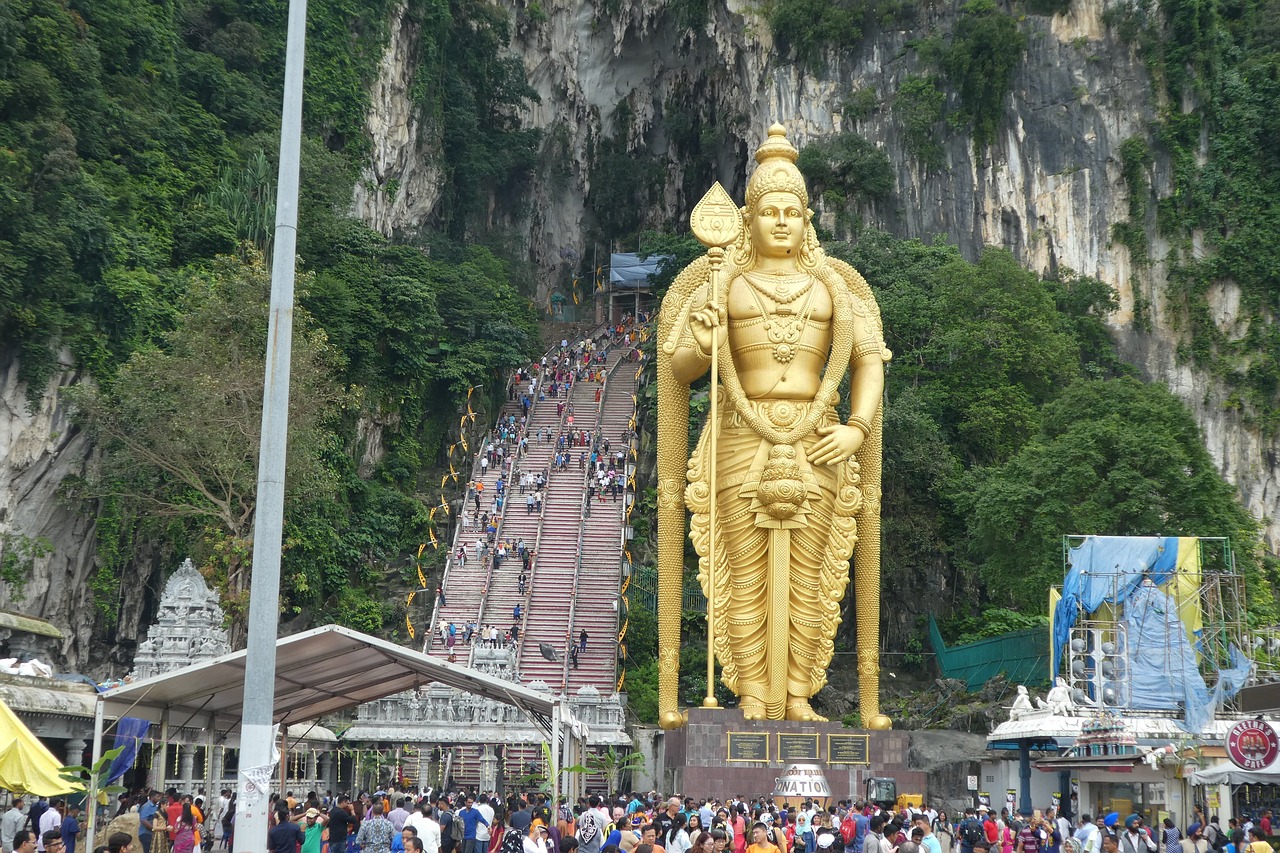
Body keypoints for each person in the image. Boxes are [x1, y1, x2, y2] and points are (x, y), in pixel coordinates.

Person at [657, 123, 890, 724]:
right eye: (768, 211)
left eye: (792, 210)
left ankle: (797, 692)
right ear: (748, 220)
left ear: (806, 219)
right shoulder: (723, 284)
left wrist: (856, 429)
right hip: (740, 433)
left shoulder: (833, 287)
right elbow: (679, 367)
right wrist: (705, 335)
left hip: (819, 438)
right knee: (742, 570)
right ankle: (752, 692)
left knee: (812, 574)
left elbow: (868, 361)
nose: (780, 222)